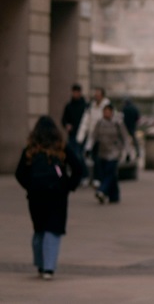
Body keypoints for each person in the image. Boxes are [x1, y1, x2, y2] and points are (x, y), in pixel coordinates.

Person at [15, 116, 85, 280]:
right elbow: (78, 168)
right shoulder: (61, 149)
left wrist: (30, 186)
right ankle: (49, 268)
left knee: (39, 230)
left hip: (36, 196)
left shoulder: (31, 150)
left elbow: (19, 173)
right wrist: (68, 186)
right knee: (53, 230)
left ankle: (40, 264)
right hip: (57, 195)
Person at [87, 104, 133, 204]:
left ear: (112, 112)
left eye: (108, 111)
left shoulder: (118, 123)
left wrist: (128, 153)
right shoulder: (99, 123)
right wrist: (88, 148)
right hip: (102, 152)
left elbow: (125, 138)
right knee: (109, 175)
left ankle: (102, 191)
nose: (106, 113)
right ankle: (114, 196)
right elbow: (93, 137)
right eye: (105, 111)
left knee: (110, 172)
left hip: (114, 152)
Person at [75, 87, 111, 186]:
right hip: (93, 136)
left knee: (101, 159)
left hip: (105, 137)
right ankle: (94, 178)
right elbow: (85, 122)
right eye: (96, 94)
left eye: (98, 95)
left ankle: (99, 178)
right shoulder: (91, 107)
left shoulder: (107, 107)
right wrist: (80, 137)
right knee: (94, 158)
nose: (96, 96)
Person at [60, 85, 88, 165]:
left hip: (83, 135)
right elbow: (64, 119)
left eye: (77, 92)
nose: (75, 94)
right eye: (74, 92)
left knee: (80, 155)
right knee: (73, 154)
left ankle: (83, 174)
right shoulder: (69, 106)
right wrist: (67, 125)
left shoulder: (84, 106)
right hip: (72, 134)